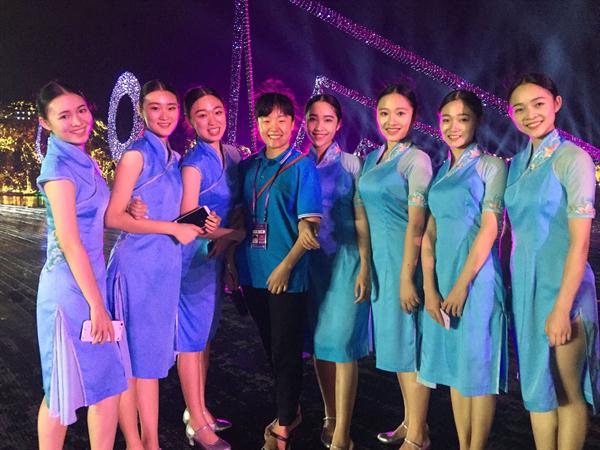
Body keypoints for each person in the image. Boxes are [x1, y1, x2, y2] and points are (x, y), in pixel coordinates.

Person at [104, 80, 215, 450]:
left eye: (170, 107)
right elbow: (113, 217)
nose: (164, 115)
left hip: (164, 269)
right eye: (155, 107)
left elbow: (175, 212)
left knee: (148, 363)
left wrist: (205, 222)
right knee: (130, 364)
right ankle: (135, 443)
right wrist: (171, 227)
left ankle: (151, 442)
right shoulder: (136, 155)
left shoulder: (175, 158)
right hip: (136, 266)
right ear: (142, 112)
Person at [504, 73, 599, 450]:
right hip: (526, 288)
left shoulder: (573, 159)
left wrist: (562, 307)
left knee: (566, 392)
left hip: (565, 290)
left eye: (539, 104)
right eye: (520, 108)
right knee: (537, 390)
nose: (530, 114)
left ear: (556, 104)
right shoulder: (515, 164)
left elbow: (580, 243)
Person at [35, 81, 127, 450]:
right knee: (65, 388)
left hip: (89, 282)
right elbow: (70, 242)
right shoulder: (58, 167)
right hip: (71, 289)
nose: (77, 121)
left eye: (82, 111)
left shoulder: (83, 159)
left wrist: (128, 207)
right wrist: (97, 305)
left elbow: (94, 216)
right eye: (64, 116)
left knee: (102, 385)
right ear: (45, 123)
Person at [419, 89, 507, 450]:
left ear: (477, 122)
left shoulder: (491, 166)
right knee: (456, 369)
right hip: (442, 279)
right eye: (447, 119)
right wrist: (430, 288)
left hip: (477, 279)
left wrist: (462, 285)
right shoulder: (441, 171)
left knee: (478, 370)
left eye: (463, 119)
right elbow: (429, 235)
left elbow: (490, 229)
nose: (453, 127)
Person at [236, 89, 322, 450]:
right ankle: (291, 407)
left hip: (286, 276)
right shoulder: (248, 166)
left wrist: (285, 268)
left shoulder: (302, 166)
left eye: (282, 118)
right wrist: (230, 264)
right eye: (266, 118)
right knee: (272, 348)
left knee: (287, 351)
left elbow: (309, 228)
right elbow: (240, 217)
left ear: (293, 123)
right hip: (252, 272)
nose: (274, 126)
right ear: (257, 123)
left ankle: (285, 424)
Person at [358, 84, 433, 450]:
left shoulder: (416, 160)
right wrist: (364, 265)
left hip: (404, 264)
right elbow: (361, 212)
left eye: (400, 113)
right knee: (398, 349)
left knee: (409, 347)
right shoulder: (372, 158)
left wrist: (407, 277)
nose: (392, 120)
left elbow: (418, 223)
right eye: (384, 113)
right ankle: (410, 421)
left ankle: (418, 435)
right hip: (380, 265)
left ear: (413, 117)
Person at [301, 94, 371, 450]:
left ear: (339, 124)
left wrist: (366, 266)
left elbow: (363, 219)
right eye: (313, 119)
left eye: (327, 120)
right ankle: (330, 414)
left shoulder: (352, 165)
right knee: (320, 345)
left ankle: (343, 429)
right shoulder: (298, 164)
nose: (319, 127)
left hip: (346, 264)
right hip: (311, 266)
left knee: (342, 346)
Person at [177, 86, 245, 449]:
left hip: (216, 258)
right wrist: (235, 235)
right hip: (194, 262)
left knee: (204, 338)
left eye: (217, 111)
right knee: (191, 340)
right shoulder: (193, 164)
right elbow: (188, 220)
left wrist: (228, 240)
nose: (212, 120)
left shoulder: (232, 155)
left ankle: (199, 409)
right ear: (190, 121)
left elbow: (240, 203)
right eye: (202, 115)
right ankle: (198, 422)